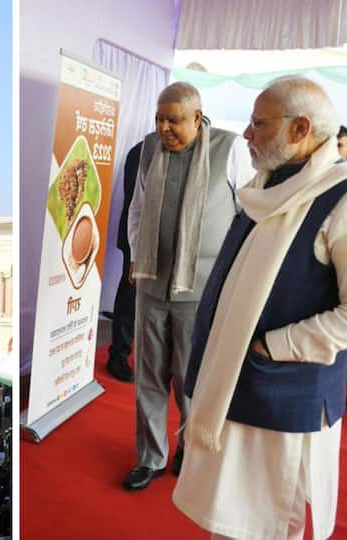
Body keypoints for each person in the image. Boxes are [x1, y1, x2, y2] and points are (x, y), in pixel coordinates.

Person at [173, 77, 347, 540]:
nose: (245, 134)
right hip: (236, 385)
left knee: (268, 524)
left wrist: (273, 345)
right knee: (231, 522)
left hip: (282, 397)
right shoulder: (269, 184)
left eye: (258, 124)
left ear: (300, 128)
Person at [123, 81, 254, 491]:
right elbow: (138, 210)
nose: (164, 127)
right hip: (151, 283)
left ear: (197, 117)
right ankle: (150, 457)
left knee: (190, 375)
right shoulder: (148, 149)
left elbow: (250, 214)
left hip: (202, 288)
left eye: (174, 120)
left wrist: (236, 276)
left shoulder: (230, 149)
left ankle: (191, 449)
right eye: (159, 118)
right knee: (149, 373)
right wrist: (134, 258)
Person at [106, 140, 143, 382]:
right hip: (137, 237)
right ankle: (117, 356)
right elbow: (136, 202)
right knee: (129, 299)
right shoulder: (141, 152)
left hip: (165, 243)